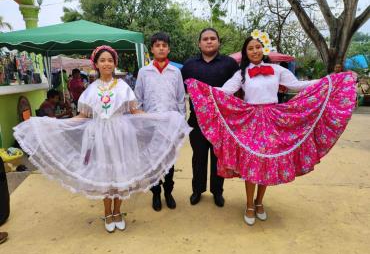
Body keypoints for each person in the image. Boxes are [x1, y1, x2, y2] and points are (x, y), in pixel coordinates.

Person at [185, 30, 356, 226]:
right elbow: (224, 91)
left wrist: (329, 80)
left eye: (258, 47)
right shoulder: (241, 73)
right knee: (253, 161)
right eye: (250, 48)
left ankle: (259, 202)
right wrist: (199, 89)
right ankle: (249, 204)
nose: (255, 51)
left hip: (273, 120)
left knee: (266, 162)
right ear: (246, 52)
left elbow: (298, 86)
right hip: (250, 121)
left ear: (263, 49)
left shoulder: (277, 70)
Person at [14, 45, 191, 233]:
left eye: (110, 60)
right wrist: (53, 124)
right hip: (99, 135)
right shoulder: (90, 90)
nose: (107, 63)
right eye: (102, 60)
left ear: (114, 63)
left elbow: (134, 111)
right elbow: (82, 116)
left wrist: (160, 119)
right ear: (96, 64)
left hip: (121, 135)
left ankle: (118, 212)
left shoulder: (123, 87)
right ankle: (108, 213)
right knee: (106, 177)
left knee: (120, 175)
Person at [181, 28, 239, 207]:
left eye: (212, 38)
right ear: (199, 43)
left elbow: (239, 89)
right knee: (198, 158)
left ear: (218, 42)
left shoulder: (229, 64)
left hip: (221, 122)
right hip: (197, 122)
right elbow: (180, 90)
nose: (209, 41)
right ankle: (197, 190)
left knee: (218, 159)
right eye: (205, 39)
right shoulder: (189, 65)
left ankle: (217, 192)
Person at [135, 32, 186, 212]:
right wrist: (140, 124)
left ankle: (168, 192)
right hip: (150, 125)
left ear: (168, 48)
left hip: (170, 126)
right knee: (152, 162)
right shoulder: (144, 72)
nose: (161, 48)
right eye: (158, 45)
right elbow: (138, 99)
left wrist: (181, 124)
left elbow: (181, 99)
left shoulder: (176, 72)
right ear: (152, 49)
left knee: (169, 162)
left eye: (164, 45)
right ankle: (155, 193)